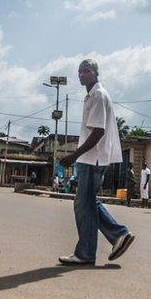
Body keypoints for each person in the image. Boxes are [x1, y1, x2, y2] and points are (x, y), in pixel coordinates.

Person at [58, 59, 135, 265]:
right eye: (80, 71)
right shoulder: (92, 95)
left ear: (96, 73)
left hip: (93, 158)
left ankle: (89, 251)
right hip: (91, 157)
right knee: (87, 203)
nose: (82, 75)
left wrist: (74, 155)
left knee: (83, 204)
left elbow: (98, 131)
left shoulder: (98, 95)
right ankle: (117, 236)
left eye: (87, 71)